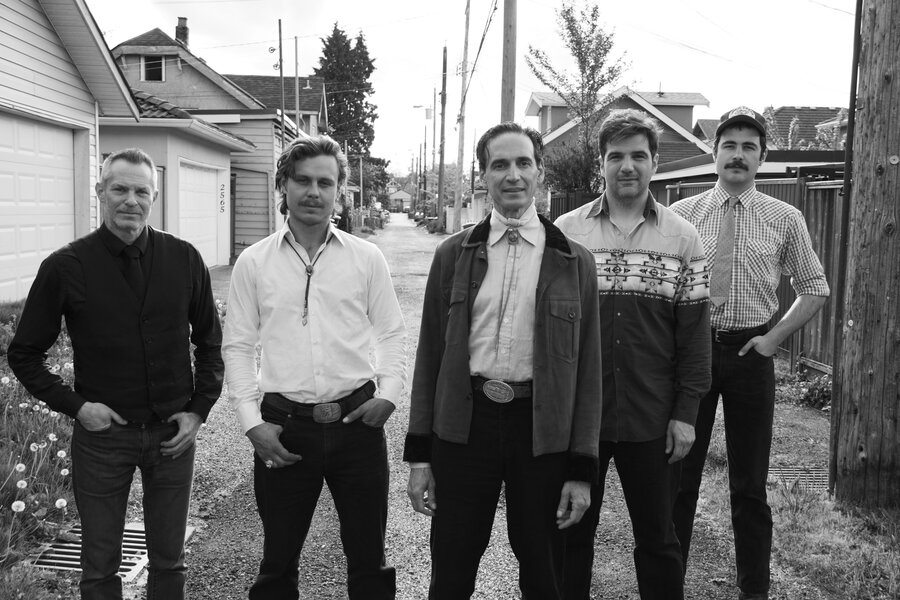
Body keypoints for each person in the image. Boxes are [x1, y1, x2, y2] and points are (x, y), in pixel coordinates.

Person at [8, 148, 224, 600]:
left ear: (154, 197)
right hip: (102, 439)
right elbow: (24, 353)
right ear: (100, 192)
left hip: (172, 435)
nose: (131, 200)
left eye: (141, 191)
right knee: (99, 566)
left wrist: (198, 411)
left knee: (170, 562)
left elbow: (210, 343)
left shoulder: (184, 259)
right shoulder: (65, 266)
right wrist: (78, 407)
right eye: (120, 189)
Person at [404, 122, 603, 599]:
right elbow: (430, 357)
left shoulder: (575, 262)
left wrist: (581, 471)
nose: (512, 175)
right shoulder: (452, 255)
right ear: (484, 176)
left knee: (544, 570)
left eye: (523, 163)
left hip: (541, 433)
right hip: (465, 426)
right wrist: (420, 457)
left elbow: (589, 373)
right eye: (499, 165)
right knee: (452, 566)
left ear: (540, 172)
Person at [222, 135, 406, 600]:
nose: (313, 192)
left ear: (339, 191)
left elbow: (391, 332)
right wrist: (252, 424)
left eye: (325, 182)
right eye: (302, 180)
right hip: (285, 428)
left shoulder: (366, 258)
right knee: (277, 563)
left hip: (358, 424)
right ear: (283, 185)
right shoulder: (253, 262)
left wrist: (388, 395)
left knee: (369, 560)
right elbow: (238, 346)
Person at [670, 107, 830, 600]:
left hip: (751, 356)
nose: (738, 155)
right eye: (729, 146)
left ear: (761, 158)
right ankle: (666, 585)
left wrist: (774, 339)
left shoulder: (785, 217)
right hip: (692, 355)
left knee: (750, 486)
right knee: (679, 479)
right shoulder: (682, 215)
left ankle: (754, 591)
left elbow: (815, 287)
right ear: (714, 154)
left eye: (749, 147)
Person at [554, 109, 711, 600]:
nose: (627, 166)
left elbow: (694, 337)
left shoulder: (682, 237)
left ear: (655, 162)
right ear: (600, 164)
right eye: (616, 156)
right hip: (580, 421)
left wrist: (686, 414)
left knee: (659, 539)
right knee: (569, 536)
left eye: (638, 156)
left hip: (653, 418)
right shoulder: (566, 233)